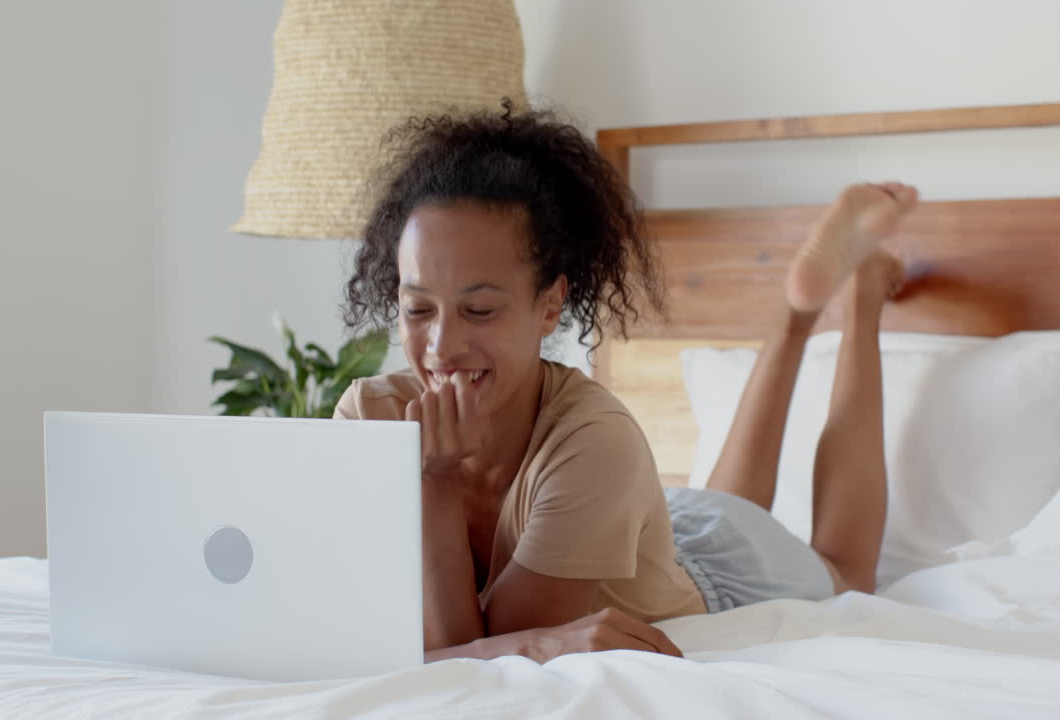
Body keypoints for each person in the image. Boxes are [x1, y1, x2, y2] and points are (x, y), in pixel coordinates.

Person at [336, 102, 918, 663]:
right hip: (651, 534)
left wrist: (434, 479)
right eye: (417, 310)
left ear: (550, 304)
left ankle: (860, 295)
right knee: (728, 505)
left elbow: (492, 664)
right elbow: (421, 634)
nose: (441, 347)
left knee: (847, 573)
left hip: (721, 578)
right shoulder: (368, 416)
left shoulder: (594, 440)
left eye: (480, 311)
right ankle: (797, 311)